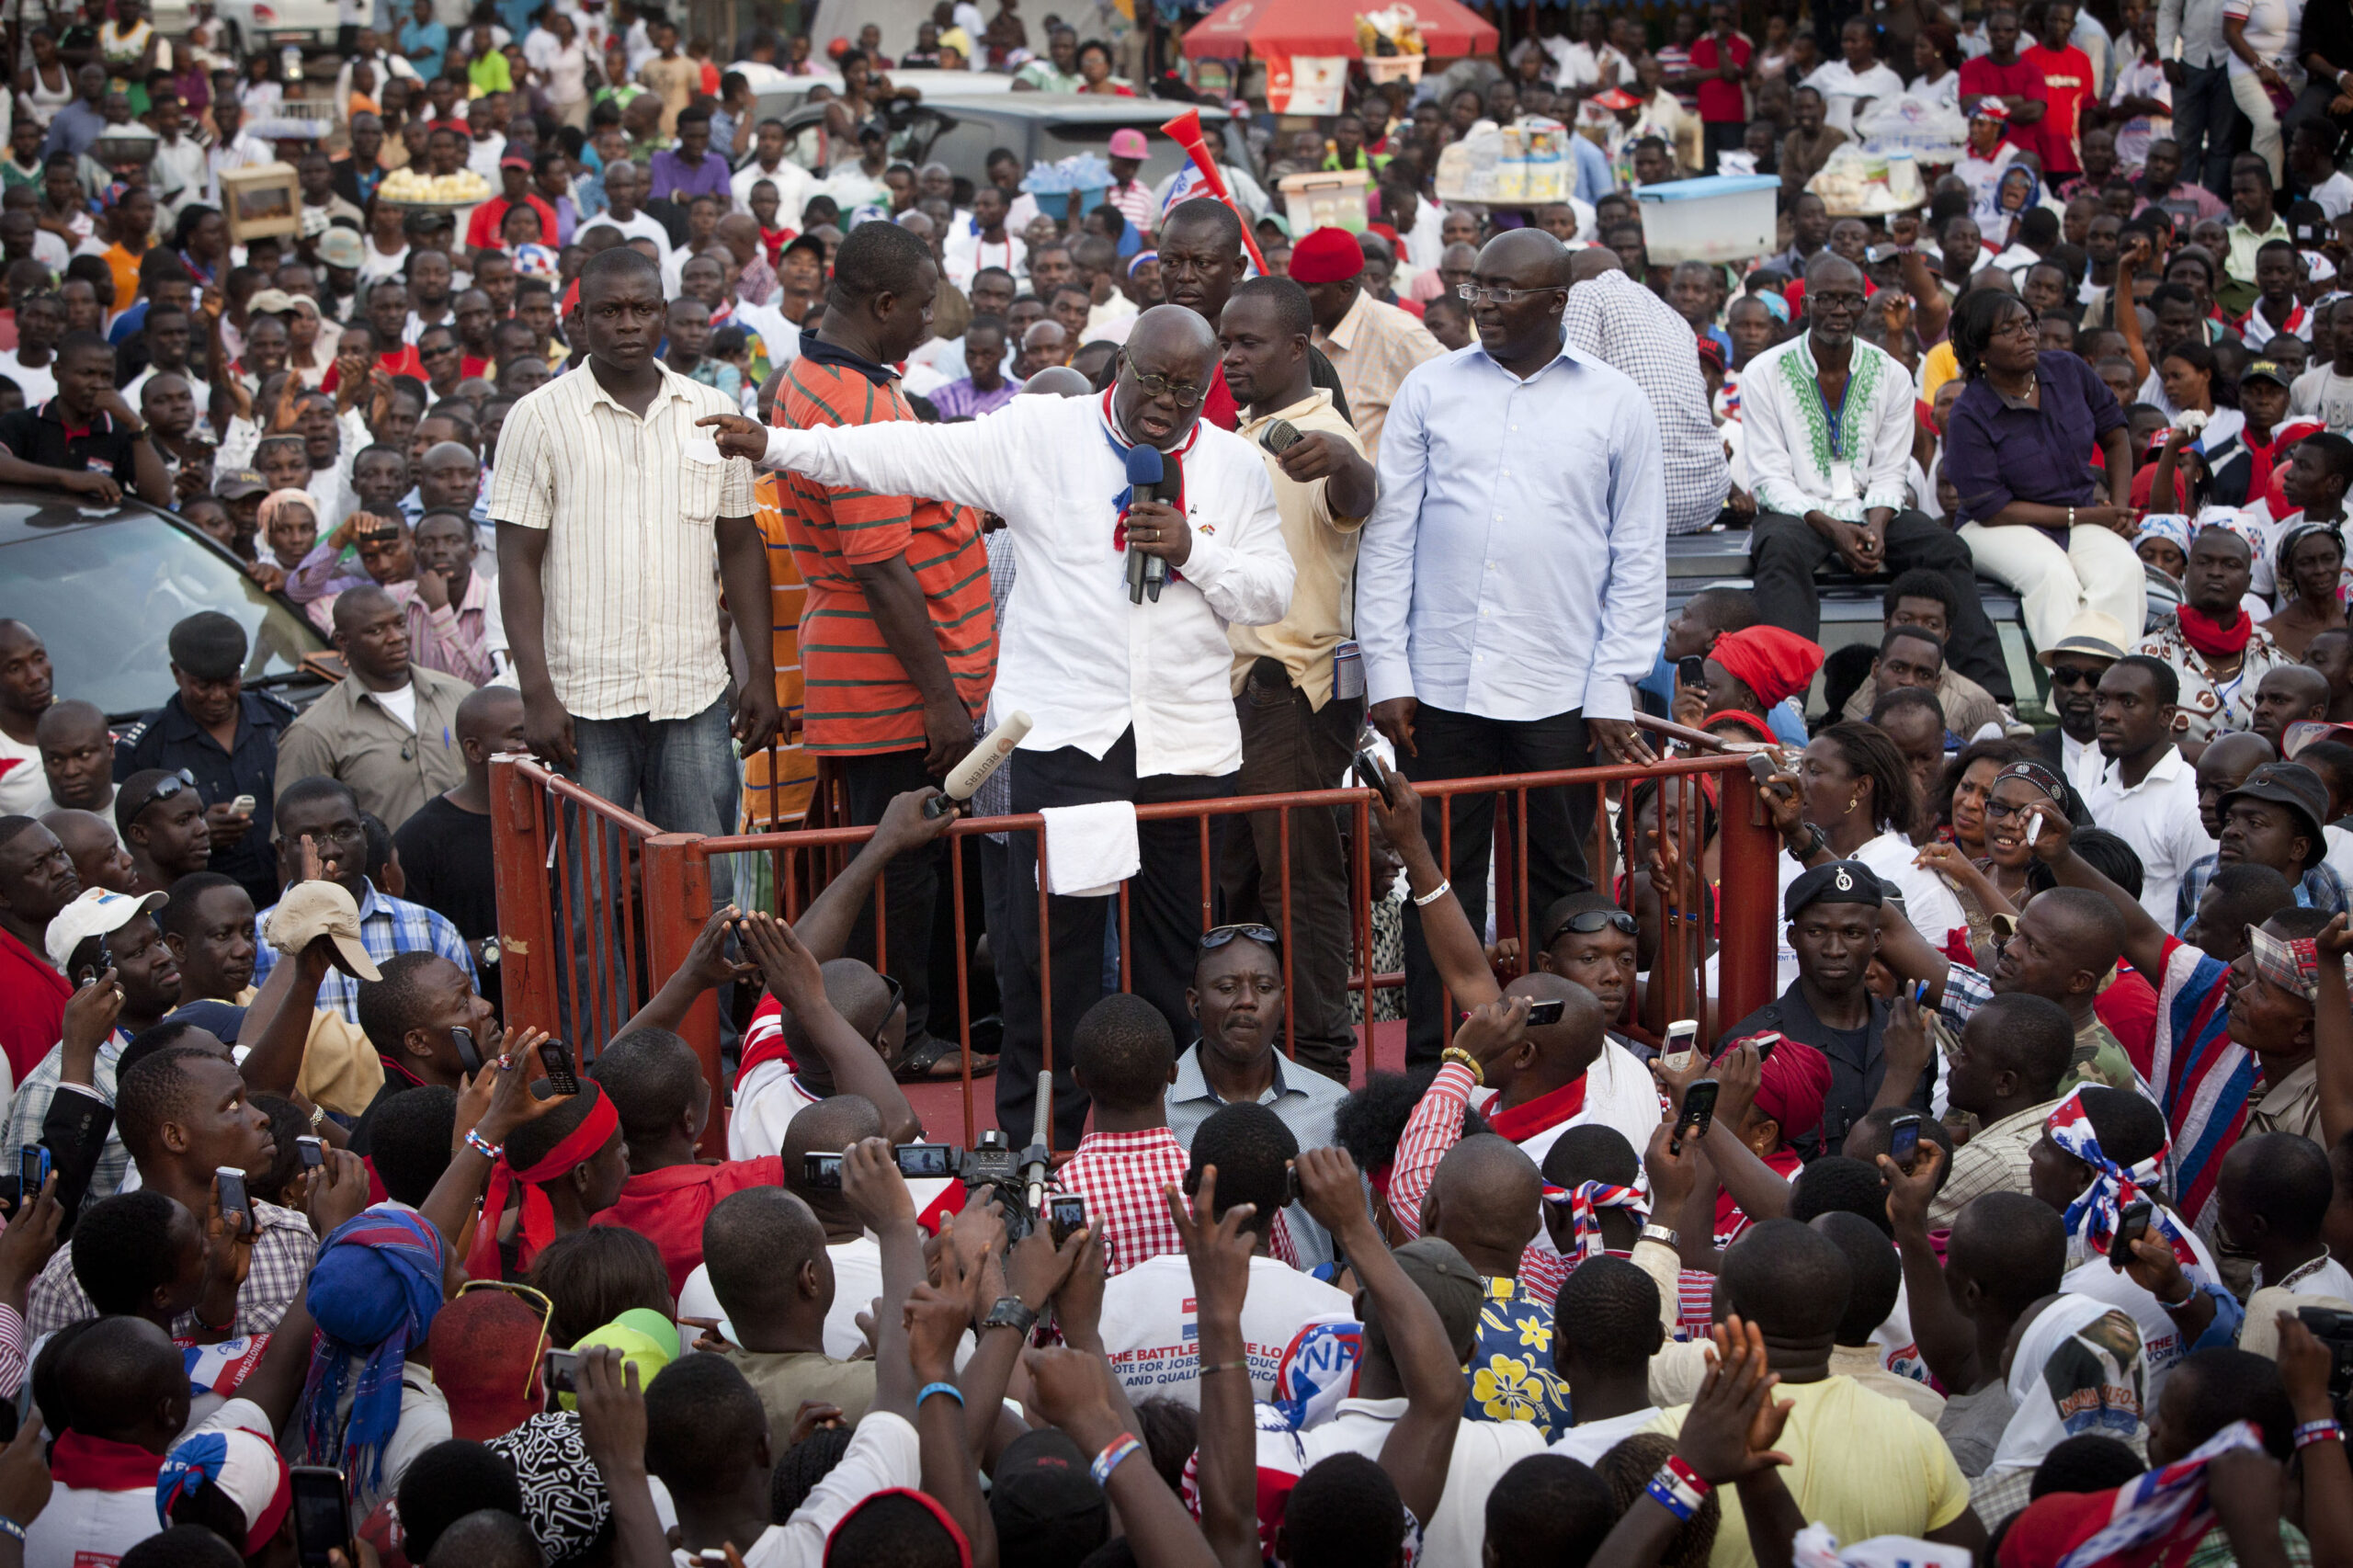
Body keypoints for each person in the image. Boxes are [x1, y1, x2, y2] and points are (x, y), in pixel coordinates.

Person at [701, 302, 1293, 1150]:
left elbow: (1273, 591)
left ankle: (1165, 1134)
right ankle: (1040, 1143)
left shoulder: (1234, 468)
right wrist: (779, 446)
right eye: (1152, 380)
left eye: (1187, 390)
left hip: (1185, 747)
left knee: (1176, 960)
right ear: (1119, 365)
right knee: (1051, 959)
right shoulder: (1041, 436)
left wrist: (1195, 551)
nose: (1166, 402)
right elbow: (908, 451)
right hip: (1067, 738)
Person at [1358, 229, 1665, 1065]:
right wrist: (1389, 670)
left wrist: (1612, 683)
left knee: (1558, 889)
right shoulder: (1430, 389)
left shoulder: (1615, 403)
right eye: (1475, 288)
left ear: (1556, 301)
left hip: (1561, 689)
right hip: (1441, 690)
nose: (1480, 304)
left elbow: (1638, 553)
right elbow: (1391, 539)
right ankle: (1436, 1061)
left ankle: (1554, 1056)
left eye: (1501, 291)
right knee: (1436, 877)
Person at [769, 221, 995, 1079]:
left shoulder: (819, 374)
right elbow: (882, 567)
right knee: (902, 867)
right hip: (894, 679)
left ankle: (918, 1022)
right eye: (926, 303)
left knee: (916, 860)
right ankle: (905, 1035)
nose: (935, 319)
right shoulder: (855, 402)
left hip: (883, 670)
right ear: (885, 303)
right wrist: (941, 696)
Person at [491, 245, 778, 897]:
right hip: (581, 701)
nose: (626, 324)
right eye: (609, 310)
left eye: (642, 309)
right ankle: (611, 1006)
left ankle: (714, 1006)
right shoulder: (537, 418)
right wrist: (535, 690)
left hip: (694, 691)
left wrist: (758, 671)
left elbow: (740, 546)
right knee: (586, 897)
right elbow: (517, 561)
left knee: (706, 887)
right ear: (580, 319)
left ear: (665, 316)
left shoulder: (712, 412)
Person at [1215, 277, 1377, 1082]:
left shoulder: (1320, 433)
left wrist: (1347, 463)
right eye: (1225, 342)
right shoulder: (1244, 435)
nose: (1231, 357)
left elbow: (1356, 494)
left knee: (1302, 891)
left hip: (1292, 693)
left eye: (1247, 343)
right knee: (1238, 895)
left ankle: (1320, 1064)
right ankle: (1257, 1063)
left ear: (1298, 346)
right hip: (1234, 698)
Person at [1746, 256, 2012, 707]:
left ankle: (1991, 702)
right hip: (1801, 513)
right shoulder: (1764, 372)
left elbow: (1892, 469)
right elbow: (1769, 478)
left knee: (1947, 550)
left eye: (1850, 300)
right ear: (1806, 302)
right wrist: (1834, 529)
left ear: (1864, 304)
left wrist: (1877, 527)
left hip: (1872, 507)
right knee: (1779, 551)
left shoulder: (1891, 373)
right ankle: (1785, 706)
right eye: (1826, 298)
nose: (1838, 309)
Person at [1941, 289, 2148, 651]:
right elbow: (1993, 509)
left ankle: (2108, 681)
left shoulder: (2067, 370)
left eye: (2028, 324)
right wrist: (2081, 516)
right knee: (2052, 575)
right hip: (1997, 525)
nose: (2026, 335)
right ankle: (2069, 688)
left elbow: (2116, 436)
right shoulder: (1969, 414)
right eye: (2009, 329)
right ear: (1980, 350)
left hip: (2078, 513)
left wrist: (2118, 510)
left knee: (2124, 569)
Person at [1561, 246, 1731, 536]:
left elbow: (1568, 388)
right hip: (1704, 499)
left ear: (1572, 278)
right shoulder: (1669, 312)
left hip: (1642, 504)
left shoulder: (1585, 293)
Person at [272, 586, 471, 834]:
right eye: (376, 631)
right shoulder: (314, 731)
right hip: (385, 871)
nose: (396, 637)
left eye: (400, 624)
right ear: (343, 641)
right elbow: (295, 839)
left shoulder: (461, 696)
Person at [392, 687, 523, 1005]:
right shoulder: (420, 838)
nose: (530, 745)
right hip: (470, 1020)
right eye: (517, 736)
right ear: (474, 749)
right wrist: (503, 948)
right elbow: (415, 952)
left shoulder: (559, 815)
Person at [1289, 226, 1443, 461]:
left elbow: (1454, 402)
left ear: (1345, 290)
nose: (1296, 296)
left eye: (1307, 287)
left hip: (1377, 493)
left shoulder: (1398, 333)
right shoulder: (1302, 331)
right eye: (1294, 284)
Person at [2083, 655, 2215, 926]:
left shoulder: (2189, 800)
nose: (2107, 714)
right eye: (2101, 700)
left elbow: (2203, 913)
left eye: (2128, 702)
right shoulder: (2103, 793)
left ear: (2166, 715)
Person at [2134, 521, 2295, 742]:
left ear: (2248, 583)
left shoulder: (2275, 663)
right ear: (2186, 572)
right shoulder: (2145, 657)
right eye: (2204, 562)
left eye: (2230, 565)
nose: (2216, 573)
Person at [2036, 610, 2131, 793]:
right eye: (2068, 675)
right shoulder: (2027, 757)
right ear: (2053, 681)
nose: (2080, 689)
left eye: (2096, 678)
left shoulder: (2137, 760)